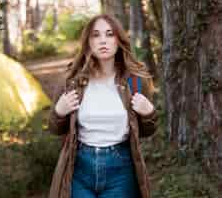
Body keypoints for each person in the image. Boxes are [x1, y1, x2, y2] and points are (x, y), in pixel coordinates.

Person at [48, 14, 158, 198]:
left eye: (109, 34)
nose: (103, 41)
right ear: (88, 42)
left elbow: (147, 131)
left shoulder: (136, 81)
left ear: (118, 40)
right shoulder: (72, 81)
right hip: (79, 167)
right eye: (96, 35)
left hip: (120, 169)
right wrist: (59, 111)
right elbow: (54, 128)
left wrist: (149, 114)